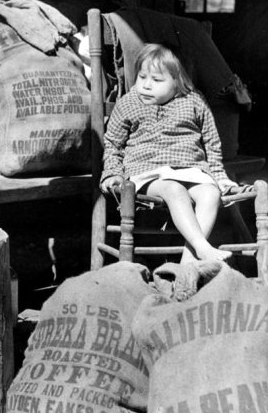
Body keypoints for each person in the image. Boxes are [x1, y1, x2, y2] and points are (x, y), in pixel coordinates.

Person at [99, 43, 240, 263]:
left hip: (190, 170)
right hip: (147, 172)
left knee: (211, 194)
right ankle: (202, 248)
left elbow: (212, 144)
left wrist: (220, 178)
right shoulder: (128, 103)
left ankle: (187, 265)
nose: (146, 85)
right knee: (174, 190)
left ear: (178, 81)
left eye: (156, 80)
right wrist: (112, 173)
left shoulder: (194, 101)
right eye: (142, 76)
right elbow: (113, 145)